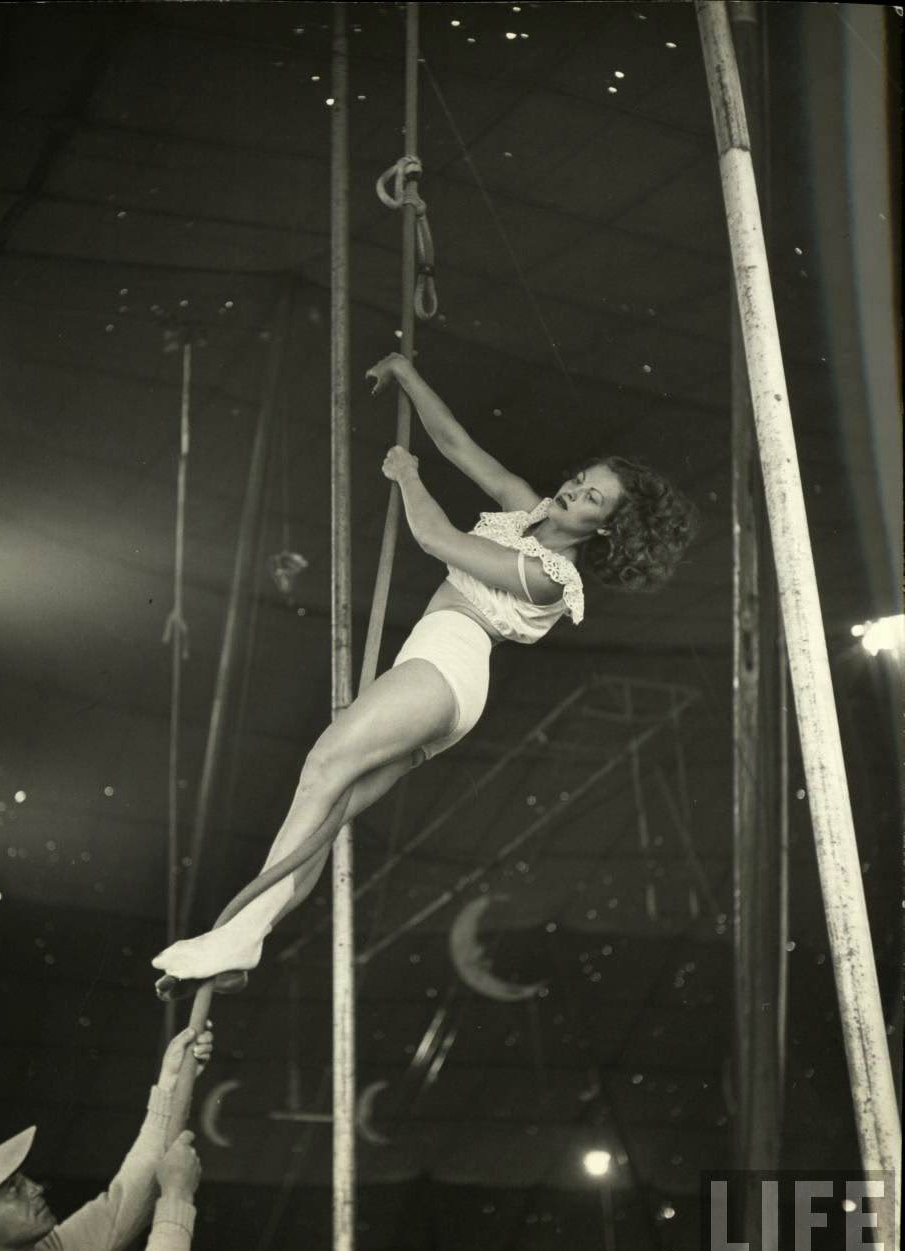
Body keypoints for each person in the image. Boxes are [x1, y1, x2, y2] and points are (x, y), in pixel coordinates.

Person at [152, 352, 698, 985]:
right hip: (436, 667)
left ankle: (238, 933)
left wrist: (407, 476)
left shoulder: (553, 578)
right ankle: (248, 938)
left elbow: (437, 539)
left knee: (323, 769)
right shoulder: (526, 510)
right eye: (580, 479)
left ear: (602, 529)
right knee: (327, 811)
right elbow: (459, 445)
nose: (572, 491)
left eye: (590, 499)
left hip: (449, 664)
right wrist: (406, 375)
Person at [0, 1025, 213, 1251]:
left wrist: (171, 1085)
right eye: (12, 1189)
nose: (34, 1187)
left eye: (22, 1180)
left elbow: (117, 1211)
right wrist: (177, 1196)